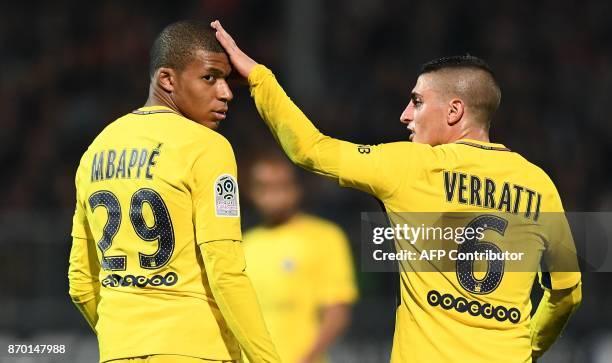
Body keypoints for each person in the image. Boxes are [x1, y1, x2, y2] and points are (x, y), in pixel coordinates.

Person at [210, 20, 582, 363]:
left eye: (417, 101)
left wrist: (259, 78)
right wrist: (529, 347)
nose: (405, 114)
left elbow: (310, 149)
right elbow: (568, 291)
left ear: (454, 111)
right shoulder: (539, 184)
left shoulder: (411, 167)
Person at [68, 20, 280, 363]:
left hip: (118, 349)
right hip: (197, 349)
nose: (226, 93)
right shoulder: (207, 147)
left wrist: (127, 338)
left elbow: (80, 282)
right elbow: (225, 271)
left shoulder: (96, 149)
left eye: (227, 81)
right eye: (210, 77)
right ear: (167, 79)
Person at [243, 153, 358, 363]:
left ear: (296, 189)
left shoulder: (325, 236)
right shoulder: (244, 244)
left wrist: (304, 360)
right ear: (253, 192)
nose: (273, 195)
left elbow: (337, 311)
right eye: (264, 187)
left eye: (280, 186)